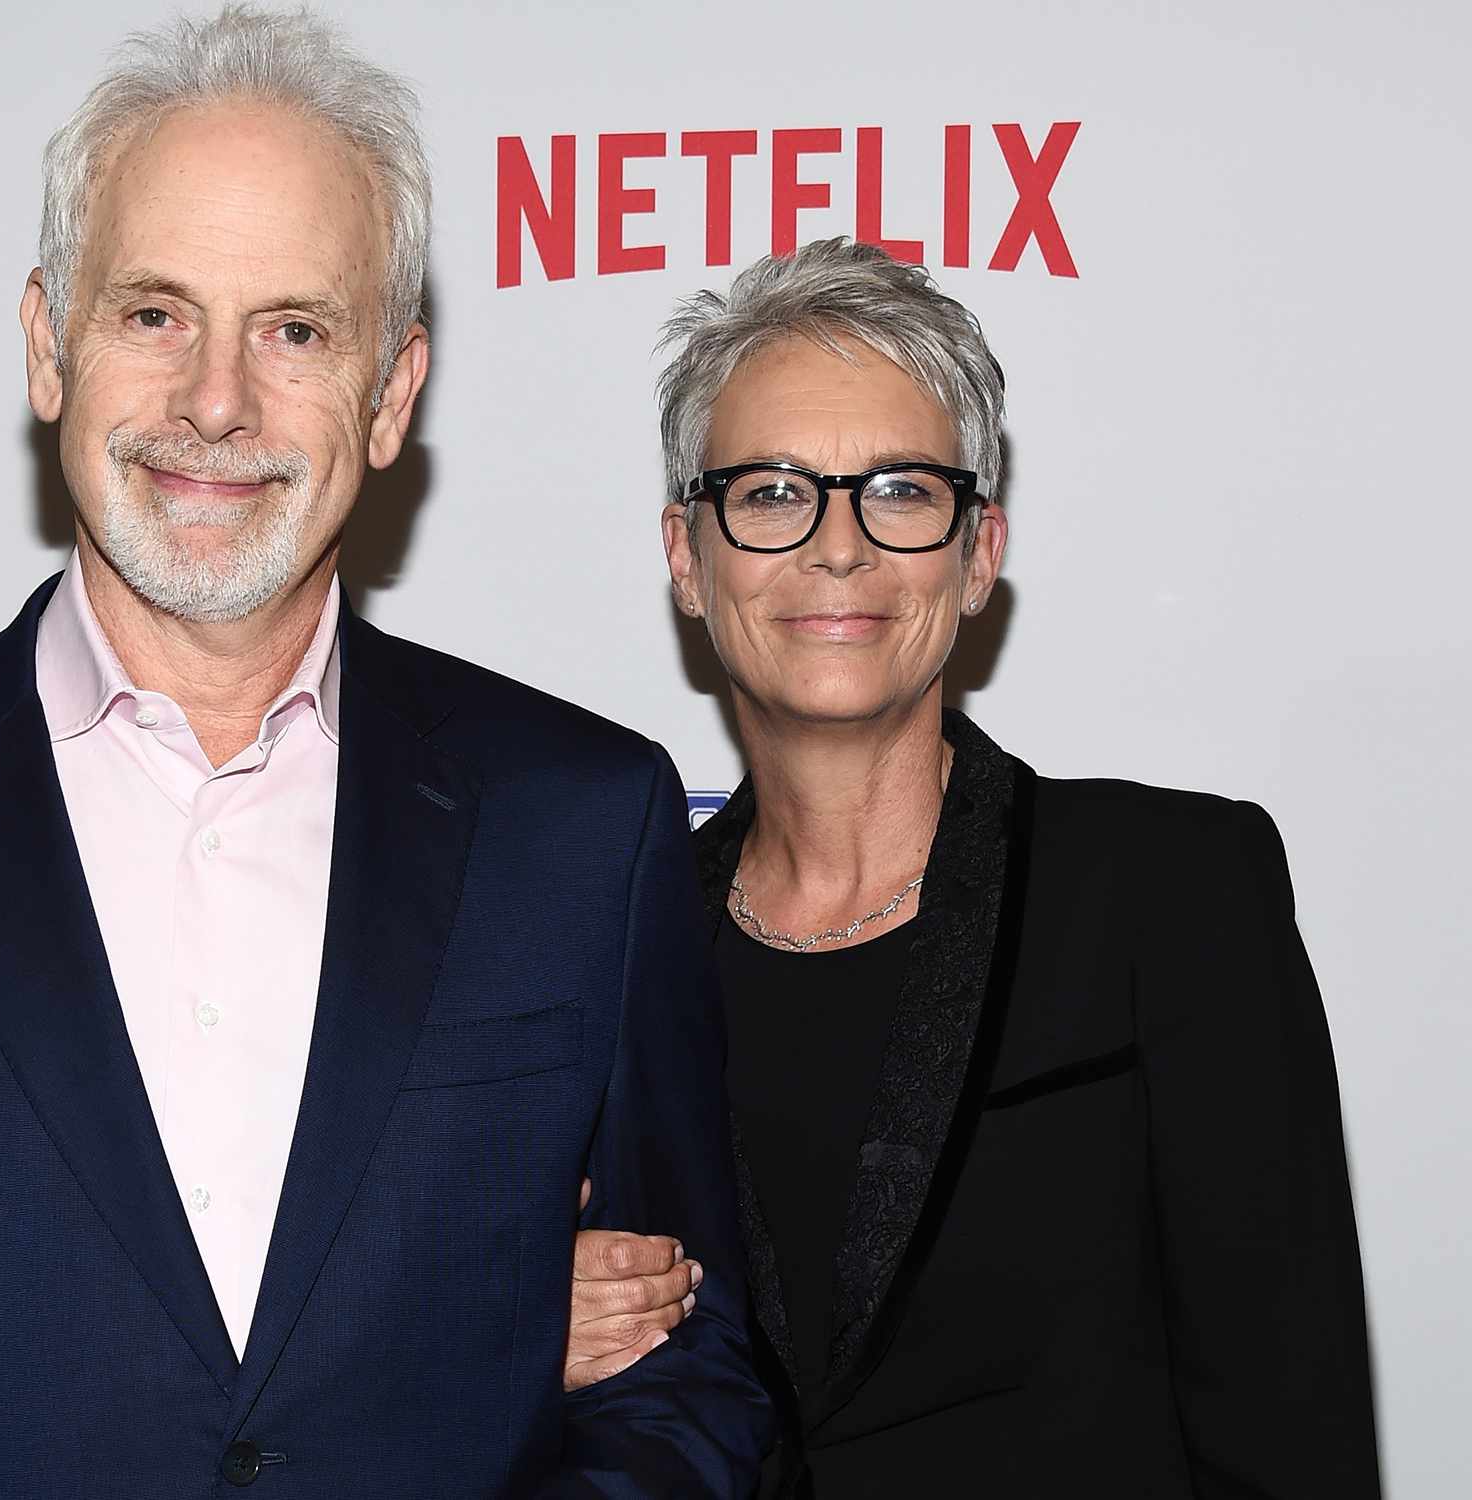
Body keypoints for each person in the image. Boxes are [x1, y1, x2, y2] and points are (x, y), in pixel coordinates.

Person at [0, 9, 770, 1496]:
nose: (217, 402)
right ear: (50, 346)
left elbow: (695, 1382)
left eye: (295, 330)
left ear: (390, 395)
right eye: (154, 313)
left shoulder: (582, 820)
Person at [562, 239, 1380, 1497]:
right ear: (687, 556)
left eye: (897, 489)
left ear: (977, 549)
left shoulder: (1172, 895)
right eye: (772, 492)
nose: (836, 547)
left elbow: (1291, 1434)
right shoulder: (610, 954)